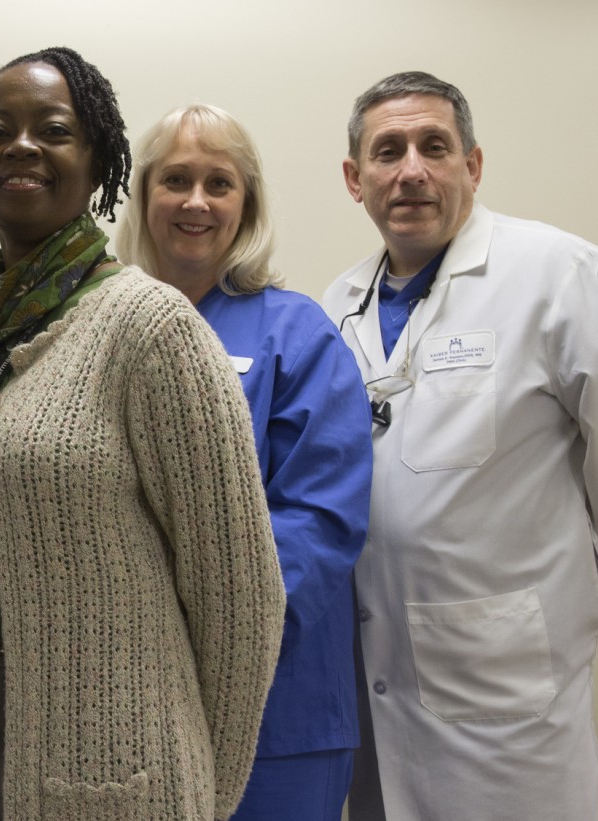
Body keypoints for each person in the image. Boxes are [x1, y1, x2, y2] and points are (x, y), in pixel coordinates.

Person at [0, 47, 286, 821]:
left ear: (99, 160)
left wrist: (204, 790)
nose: (21, 145)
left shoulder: (151, 328)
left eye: (54, 129)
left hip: (108, 761)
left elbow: (241, 596)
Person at [322, 71, 598, 820]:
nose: (411, 171)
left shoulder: (561, 275)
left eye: (435, 146)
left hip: (507, 693)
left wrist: (573, 594)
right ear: (354, 179)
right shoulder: (337, 302)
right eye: (387, 151)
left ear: (473, 165)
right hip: (373, 683)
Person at [119, 104, 372, 821]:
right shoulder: (99, 328)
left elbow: (320, 519)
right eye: (176, 180)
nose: (196, 201)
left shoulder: (297, 334)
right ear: (144, 197)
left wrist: (217, 635)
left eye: (219, 183)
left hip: (276, 708)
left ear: (246, 204)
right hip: (132, 702)